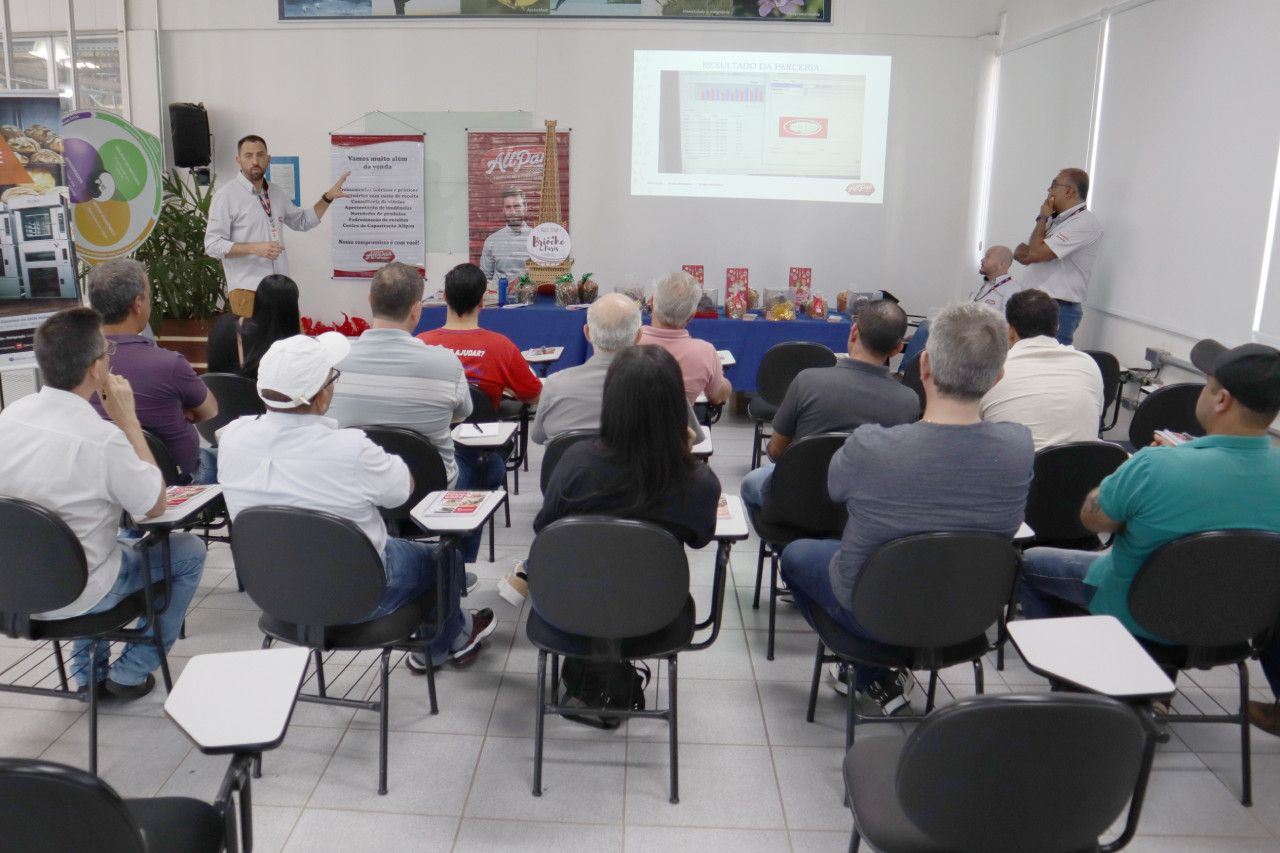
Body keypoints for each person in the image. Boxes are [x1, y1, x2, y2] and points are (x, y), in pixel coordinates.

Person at [780, 302, 1034, 715]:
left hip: (873, 609)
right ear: (999, 377)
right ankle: (873, 672)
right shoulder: (1019, 447)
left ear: (924, 366)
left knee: (795, 556)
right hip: (968, 612)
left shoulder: (871, 445)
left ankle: (867, 671)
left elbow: (833, 491)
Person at [217, 333, 496, 671]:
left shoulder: (232, 437)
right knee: (445, 557)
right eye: (333, 378)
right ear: (321, 396)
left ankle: (456, 632)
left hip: (273, 590)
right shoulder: (350, 449)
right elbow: (401, 492)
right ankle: (441, 646)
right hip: (361, 592)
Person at [0, 308, 205, 698]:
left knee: (100, 545)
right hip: (79, 592)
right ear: (97, 368)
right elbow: (155, 504)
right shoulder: (101, 437)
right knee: (188, 552)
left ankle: (86, 676)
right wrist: (127, 421)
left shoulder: (9, 416)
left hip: (12, 589)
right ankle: (130, 673)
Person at [1017, 338, 1280, 637]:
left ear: (1222, 400)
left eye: (1206, 385)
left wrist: (1132, 472)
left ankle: (1073, 666)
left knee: (1028, 564)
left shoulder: (1155, 465)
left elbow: (1093, 520)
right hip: (1234, 624)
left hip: (1135, 614)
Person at [325, 262, 485, 575]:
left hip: (356, 487)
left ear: (370, 300)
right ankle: (457, 567)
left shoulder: (334, 361)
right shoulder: (445, 363)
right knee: (478, 465)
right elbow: (462, 415)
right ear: (417, 309)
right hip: (431, 488)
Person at [740, 299, 920, 519]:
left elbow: (777, 452)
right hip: (861, 512)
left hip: (797, 503)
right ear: (898, 349)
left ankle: (782, 541)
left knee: (751, 482)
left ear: (853, 332)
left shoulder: (807, 381)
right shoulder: (909, 401)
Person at [535, 344, 720, 547]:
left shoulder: (576, 464)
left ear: (611, 400)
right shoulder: (699, 482)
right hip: (657, 577)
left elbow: (545, 527)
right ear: (676, 404)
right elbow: (700, 538)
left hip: (580, 576)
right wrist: (682, 454)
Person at [85, 258, 219, 485]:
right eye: (148, 296)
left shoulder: (78, 366)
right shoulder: (169, 364)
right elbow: (210, 411)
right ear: (138, 304)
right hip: (179, 482)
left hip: (107, 481)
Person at [205, 134, 351, 317]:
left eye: (260, 155)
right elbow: (212, 245)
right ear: (238, 160)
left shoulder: (276, 192)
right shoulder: (226, 196)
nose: (255, 161)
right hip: (248, 291)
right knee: (256, 346)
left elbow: (303, 221)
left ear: (268, 159)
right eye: (248, 156)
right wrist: (254, 248)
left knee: (292, 343)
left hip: (282, 289)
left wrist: (327, 197)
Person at [530, 292, 704, 446]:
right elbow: (693, 438)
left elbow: (538, 437)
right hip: (640, 482)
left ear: (587, 333)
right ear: (638, 336)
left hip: (572, 482)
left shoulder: (554, 385)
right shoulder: (665, 385)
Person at [979, 288, 1104, 450]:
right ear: (1057, 326)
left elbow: (973, 427)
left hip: (1021, 472)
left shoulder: (993, 370)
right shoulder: (1088, 364)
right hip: (1086, 471)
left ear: (1009, 331)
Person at [417, 262, 542, 416]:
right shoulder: (501, 347)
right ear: (482, 301)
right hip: (484, 437)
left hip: (431, 437)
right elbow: (534, 396)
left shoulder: (420, 344)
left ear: (445, 297)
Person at [1013, 168, 1103, 346]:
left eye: (1053, 185)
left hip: (1058, 309)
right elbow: (1019, 253)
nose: (1048, 190)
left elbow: (1036, 253)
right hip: (1032, 304)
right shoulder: (1054, 221)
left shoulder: (1084, 222)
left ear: (1069, 191)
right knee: (1024, 361)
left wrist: (1042, 218)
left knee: (1049, 367)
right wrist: (1043, 225)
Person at [900, 245, 1018, 368]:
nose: (982, 259)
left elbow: (1009, 327)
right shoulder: (981, 288)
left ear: (1001, 264)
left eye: (987, 256)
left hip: (982, 339)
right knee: (926, 328)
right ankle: (914, 375)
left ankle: (904, 373)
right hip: (965, 332)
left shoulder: (1012, 290)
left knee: (926, 328)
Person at [637, 270, 732, 407]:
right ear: (692, 315)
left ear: (651, 301)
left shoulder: (628, 342)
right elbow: (716, 397)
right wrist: (725, 384)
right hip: (681, 427)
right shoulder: (705, 352)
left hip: (632, 427)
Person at [206, 273, 302, 380]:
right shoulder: (289, 347)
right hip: (260, 396)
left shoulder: (223, 326)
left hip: (221, 395)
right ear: (292, 311)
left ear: (257, 299)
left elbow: (213, 375)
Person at [478, 187, 532, 282]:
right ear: (503, 210)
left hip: (529, 295)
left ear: (525, 207)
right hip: (499, 295)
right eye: (508, 207)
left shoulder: (538, 239)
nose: (513, 211)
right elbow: (484, 279)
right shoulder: (492, 241)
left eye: (517, 206)